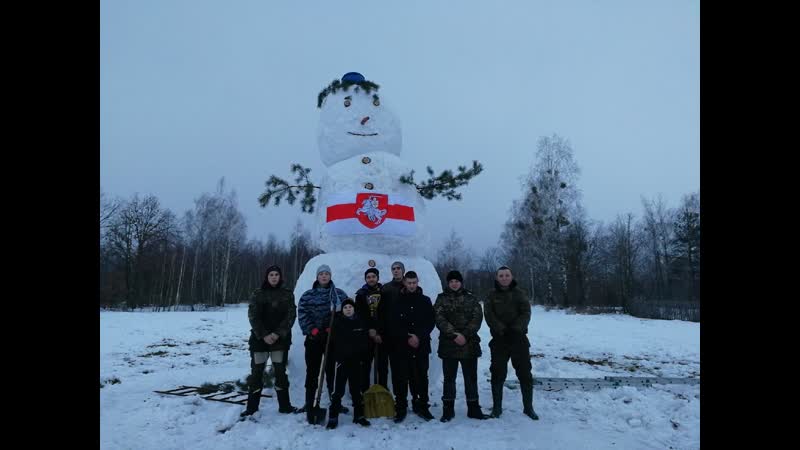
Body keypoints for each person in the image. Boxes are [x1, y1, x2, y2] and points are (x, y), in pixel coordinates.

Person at [241, 265, 300, 417]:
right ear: (267, 277)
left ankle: (285, 406)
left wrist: (277, 334)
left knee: (280, 372)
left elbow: (291, 316)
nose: (274, 277)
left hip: (280, 341)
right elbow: (253, 316)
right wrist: (264, 334)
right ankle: (252, 408)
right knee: (257, 373)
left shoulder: (287, 294)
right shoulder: (258, 293)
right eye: (271, 274)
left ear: (280, 277)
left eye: (276, 274)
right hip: (259, 340)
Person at [433, 270, 490, 422]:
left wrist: (465, 335)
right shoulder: (441, 299)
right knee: (449, 379)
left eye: (457, 281)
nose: (454, 283)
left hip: (469, 345)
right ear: (448, 283)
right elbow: (439, 318)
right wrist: (453, 334)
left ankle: (473, 409)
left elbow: (477, 318)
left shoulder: (471, 298)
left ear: (461, 282)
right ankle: (448, 410)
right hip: (448, 345)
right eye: (451, 281)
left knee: (470, 379)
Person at [484, 266, 539, 420]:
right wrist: (501, 329)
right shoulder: (491, 295)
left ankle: (528, 408)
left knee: (525, 374)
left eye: (507, 275)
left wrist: (516, 329)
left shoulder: (520, 294)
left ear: (511, 276)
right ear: (497, 278)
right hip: (499, 340)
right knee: (497, 374)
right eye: (501, 275)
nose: (504, 278)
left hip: (518, 339)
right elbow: (489, 315)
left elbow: (526, 313)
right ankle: (497, 408)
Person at [297, 264, 350, 421]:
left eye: (327, 273)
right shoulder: (308, 295)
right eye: (321, 274)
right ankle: (309, 402)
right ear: (317, 276)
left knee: (332, 372)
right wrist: (312, 330)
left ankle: (336, 403)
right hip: (313, 340)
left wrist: (331, 330)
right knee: (312, 372)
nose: (324, 276)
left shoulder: (339, 295)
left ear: (330, 276)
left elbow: (345, 314)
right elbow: (302, 314)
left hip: (332, 340)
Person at [384, 271, 435, 423]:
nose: (412, 285)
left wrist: (418, 336)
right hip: (401, 346)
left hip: (421, 345)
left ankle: (422, 406)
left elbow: (430, 321)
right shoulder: (396, 301)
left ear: (418, 282)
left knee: (420, 377)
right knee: (401, 378)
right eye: (409, 283)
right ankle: (401, 407)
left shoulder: (425, 301)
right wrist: (407, 336)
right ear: (405, 283)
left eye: (414, 282)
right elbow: (392, 323)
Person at [326, 298, 372, 429]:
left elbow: (365, 342)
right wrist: (337, 358)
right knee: (338, 391)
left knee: (356, 390)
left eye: (350, 307)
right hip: (342, 361)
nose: (348, 309)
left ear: (354, 309)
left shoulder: (360, 322)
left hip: (356, 361)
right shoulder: (337, 323)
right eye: (345, 308)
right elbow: (333, 343)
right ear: (343, 310)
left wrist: (363, 357)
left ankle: (359, 415)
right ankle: (333, 416)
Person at [355, 268, 388, 389]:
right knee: (365, 366)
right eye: (368, 277)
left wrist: (379, 332)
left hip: (381, 336)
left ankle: (383, 392)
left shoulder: (384, 293)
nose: (371, 279)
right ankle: (364, 393)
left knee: (382, 367)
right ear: (365, 279)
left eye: (373, 276)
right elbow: (359, 315)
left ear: (377, 278)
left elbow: (386, 314)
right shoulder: (360, 295)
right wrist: (369, 330)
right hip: (366, 336)